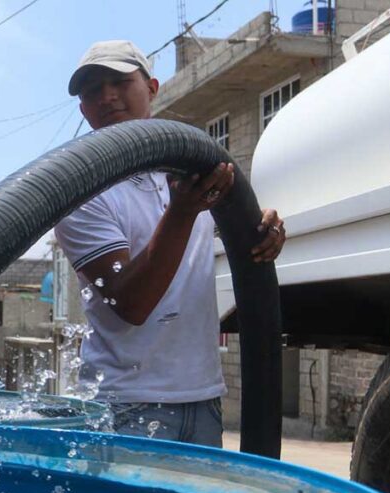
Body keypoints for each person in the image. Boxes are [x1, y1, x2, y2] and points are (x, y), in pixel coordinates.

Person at [53, 40, 287, 447]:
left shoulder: (191, 171)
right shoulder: (80, 193)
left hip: (203, 399)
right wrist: (181, 213)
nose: (107, 96)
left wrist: (264, 230)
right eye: (92, 90)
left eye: (119, 82)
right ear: (83, 109)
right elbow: (131, 303)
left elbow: (234, 231)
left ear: (152, 88)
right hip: (125, 406)